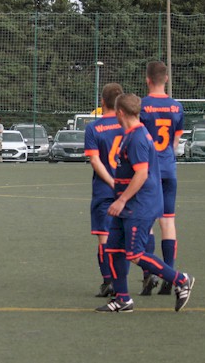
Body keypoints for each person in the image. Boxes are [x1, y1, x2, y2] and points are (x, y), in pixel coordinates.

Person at [96, 93, 194, 313]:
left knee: (135, 254)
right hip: (129, 205)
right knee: (113, 249)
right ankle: (123, 299)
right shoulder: (131, 134)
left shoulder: (139, 137)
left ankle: (180, 279)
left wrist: (121, 199)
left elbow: (141, 174)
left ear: (120, 113)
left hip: (139, 205)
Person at [139, 61, 185, 296]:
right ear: (166, 78)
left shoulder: (141, 106)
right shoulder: (177, 107)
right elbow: (175, 143)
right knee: (168, 221)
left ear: (147, 79)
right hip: (169, 168)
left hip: (148, 171)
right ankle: (170, 273)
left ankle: (149, 275)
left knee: (147, 223)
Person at [84, 83, 124, 298]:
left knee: (104, 237)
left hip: (104, 190)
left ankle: (108, 281)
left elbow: (94, 160)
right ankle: (148, 273)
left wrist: (110, 181)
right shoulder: (128, 125)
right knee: (141, 232)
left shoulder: (93, 127)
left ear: (102, 102)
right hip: (130, 187)